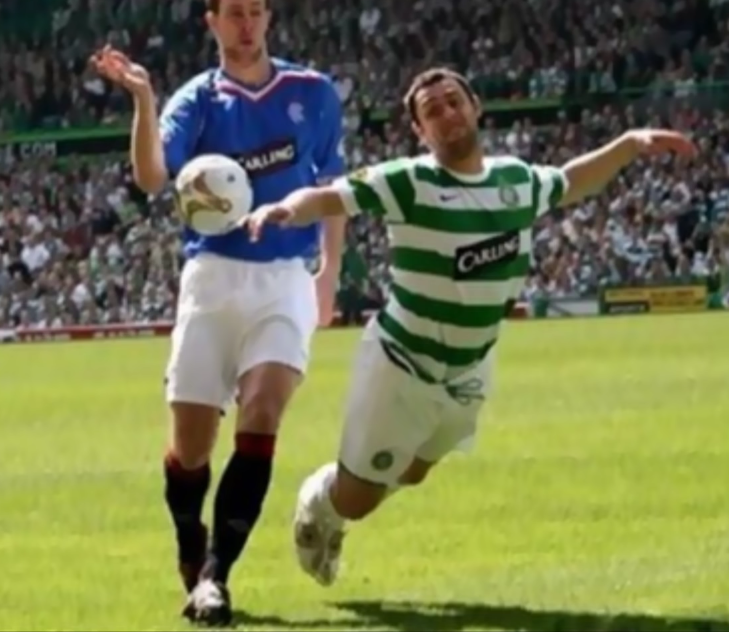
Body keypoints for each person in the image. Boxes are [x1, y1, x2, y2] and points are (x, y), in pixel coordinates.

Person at [242, 67, 696, 586]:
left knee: (415, 471)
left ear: (476, 107)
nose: (447, 114)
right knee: (358, 501)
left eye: (453, 101)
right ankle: (321, 503)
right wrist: (284, 209)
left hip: (470, 366)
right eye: (432, 111)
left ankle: (357, 479)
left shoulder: (515, 180)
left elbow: (571, 181)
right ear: (421, 132)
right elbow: (329, 197)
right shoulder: (408, 181)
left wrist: (630, 144)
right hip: (402, 364)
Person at [90, 0, 346, 625]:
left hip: (285, 278)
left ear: (268, 16)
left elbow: (334, 190)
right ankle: (190, 541)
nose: (247, 24)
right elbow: (153, 178)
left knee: (262, 410)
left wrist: (328, 278)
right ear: (212, 23)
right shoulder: (197, 100)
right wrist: (143, 99)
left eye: (256, 10)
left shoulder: (313, 92)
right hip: (212, 277)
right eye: (234, 13)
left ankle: (216, 576)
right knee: (191, 450)